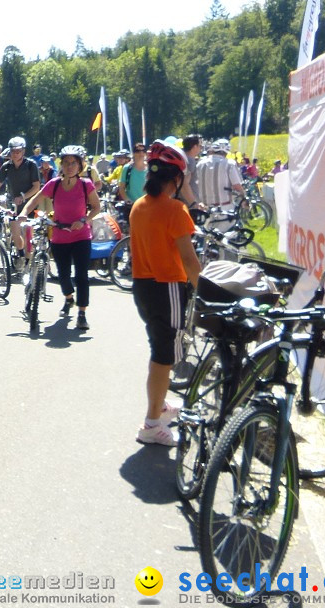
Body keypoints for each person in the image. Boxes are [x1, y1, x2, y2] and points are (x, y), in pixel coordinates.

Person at [129, 139, 201, 446]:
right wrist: (203, 290)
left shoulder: (138, 206)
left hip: (143, 286)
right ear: (176, 179)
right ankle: (151, 423)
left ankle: (159, 406)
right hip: (168, 286)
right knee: (163, 357)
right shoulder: (175, 209)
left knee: (159, 350)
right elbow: (189, 260)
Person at [19, 145, 100, 330]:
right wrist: (24, 212)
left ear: (80, 165)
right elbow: (35, 199)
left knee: (81, 276)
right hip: (59, 236)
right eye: (66, 163)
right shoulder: (54, 184)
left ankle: (82, 313)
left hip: (81, 236)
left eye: (73, 163)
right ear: (61, 165)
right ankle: (69, 298)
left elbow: (97, 207)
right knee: (63, 276)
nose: (69, 166)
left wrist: (84, 220)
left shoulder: (86, 184)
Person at [0, 136, 41, 254]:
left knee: (27, 233)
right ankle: (20, 253)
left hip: (30, 204)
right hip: (15, 206)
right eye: (13, 151)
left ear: (23, 151)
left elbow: (36, 187)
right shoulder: (7, 166)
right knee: (15, 233)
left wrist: (23, 197)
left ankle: (28, 259)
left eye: (18, 151)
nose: (15, 154)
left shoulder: (31, 165)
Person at [195, 138, 245, 215]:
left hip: (204, 207)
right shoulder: (229, 164)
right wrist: (243, 197)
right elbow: (237, 185)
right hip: (224, 206)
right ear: (226, 152)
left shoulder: (200, 163)